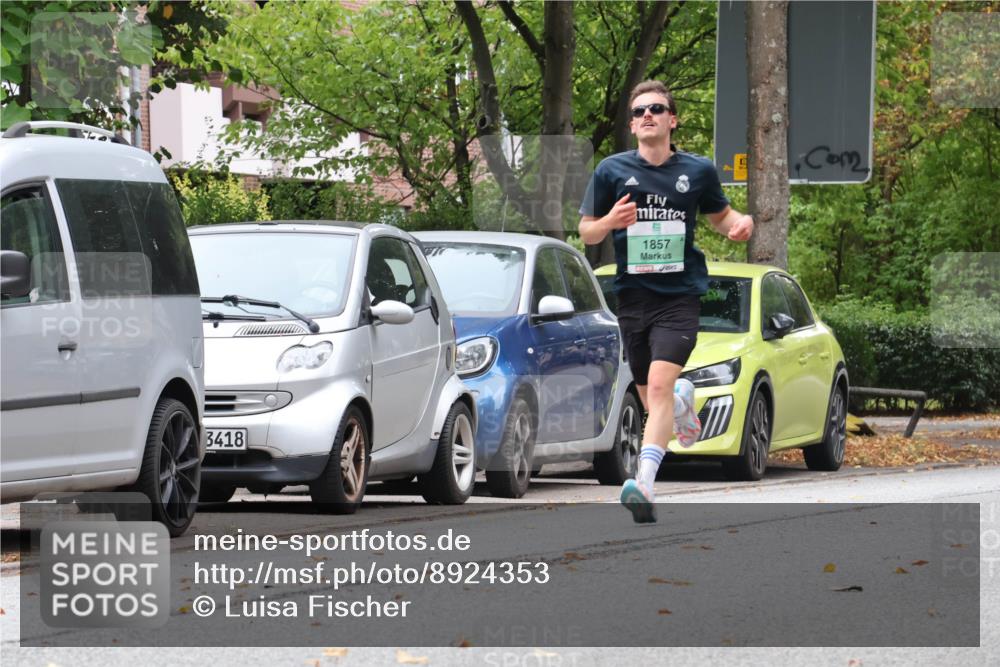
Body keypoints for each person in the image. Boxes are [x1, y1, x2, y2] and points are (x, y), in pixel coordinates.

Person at [578, 80, 754, 523]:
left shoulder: (697, 171)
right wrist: (609, 220)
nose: (646, 116)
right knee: (650, 397)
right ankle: (681, 403)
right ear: (633, 125)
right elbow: (586, 232)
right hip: (633, 297)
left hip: (679, 297)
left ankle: (645, 484)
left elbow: (721, 216)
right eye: (638, 112)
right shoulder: (611, 171)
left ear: (672, 120)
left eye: (656, 109)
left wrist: (740, 224)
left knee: (655, 387)